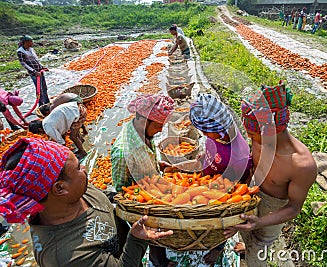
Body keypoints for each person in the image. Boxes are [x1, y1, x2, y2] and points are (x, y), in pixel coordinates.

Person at [0, 137, 173, 267]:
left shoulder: (75, 194)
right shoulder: (66, 256)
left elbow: (102, 195)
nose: (84, 168)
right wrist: (136, 239)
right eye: (77, 167)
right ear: (60, 188)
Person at [224, 81, 317, 266]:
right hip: (252, 193)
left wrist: (259, 222)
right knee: (245, 230)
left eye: (253, 134)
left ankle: (254, 251)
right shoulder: (260, 140)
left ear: (270, 131)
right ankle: (246, 245)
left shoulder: (302, 165)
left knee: (260, 246)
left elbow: (293, 208)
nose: (250, 138)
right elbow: (252, 166)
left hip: (274, 209)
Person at [185, 93, 253, 266]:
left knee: (220, 222)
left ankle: (218, 248)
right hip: (209, 177)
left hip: (221, 192)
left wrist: (202, 191)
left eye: (203, 131)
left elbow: (226, 192)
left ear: (213, 129)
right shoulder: (219, 133)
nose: (202, 134)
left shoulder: (236, 156)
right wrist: (203, 158)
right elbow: (210, 147)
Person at [111, 94, 177, 267]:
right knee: (152, 232)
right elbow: (121, 190)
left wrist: (157, 165)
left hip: (154, 191)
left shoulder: (144, 133)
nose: (161, 130)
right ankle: (157, 261)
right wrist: (149, 193)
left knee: (160, 230)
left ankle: (159, 256)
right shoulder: (123, 152)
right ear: (145, 119)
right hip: (142, 203)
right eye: (159, 125)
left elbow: (147, 158)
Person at [17, 35, 50, 106]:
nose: (32, 43)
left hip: (39, 71)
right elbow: (24, 64)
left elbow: (36, 60)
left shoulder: (31, 49)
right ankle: (41, 105)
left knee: (44, 87)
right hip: (34, 73)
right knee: (39, 89)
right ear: (26, 42)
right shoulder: (20, 51)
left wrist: (42, 67)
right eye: (31, 41)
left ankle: (47, 102)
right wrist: (34, 72)